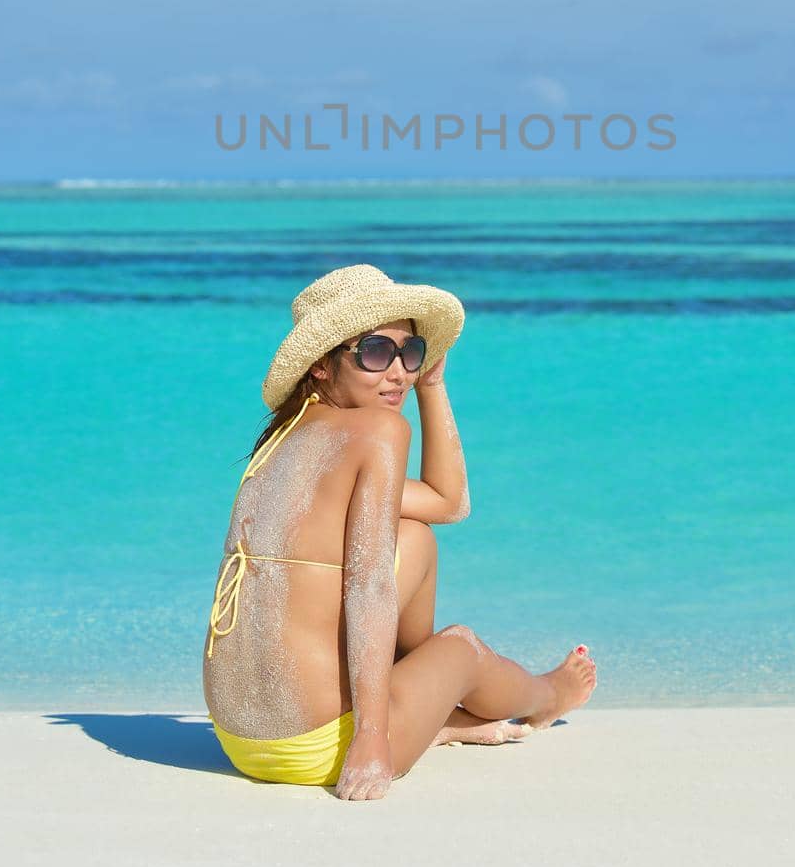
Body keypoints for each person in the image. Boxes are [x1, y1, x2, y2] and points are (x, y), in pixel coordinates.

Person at [203, 263, 597, 801]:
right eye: (374, 353)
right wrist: (370, 741)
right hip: (320, 748)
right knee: (462, 649)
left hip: (239, 739)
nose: (398, 373)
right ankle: (548, 696)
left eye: (410, 354)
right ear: (321, 364)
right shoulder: (379, 432)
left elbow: (446, 504)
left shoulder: (279, 442)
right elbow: (367, 585)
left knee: (415, 537)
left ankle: (428, 712)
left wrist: (432, 384)